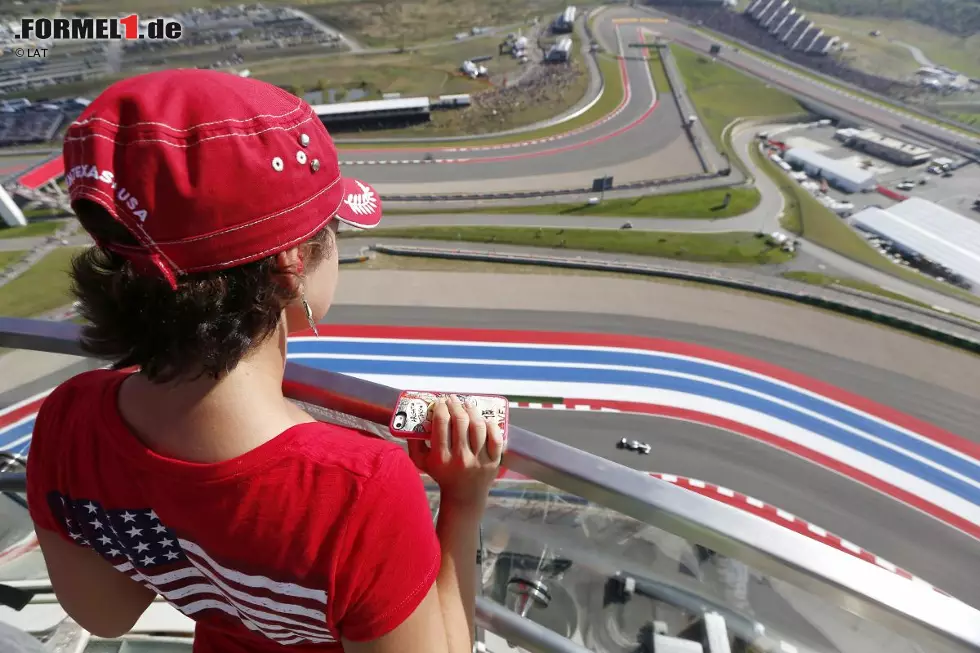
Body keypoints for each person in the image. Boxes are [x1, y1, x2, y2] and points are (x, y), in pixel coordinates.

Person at [25, 69, 505, 653]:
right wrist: (463, 502)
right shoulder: (359, 490)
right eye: (335, 232)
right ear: (292, 262)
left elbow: (105, 613)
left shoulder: (68, 421)